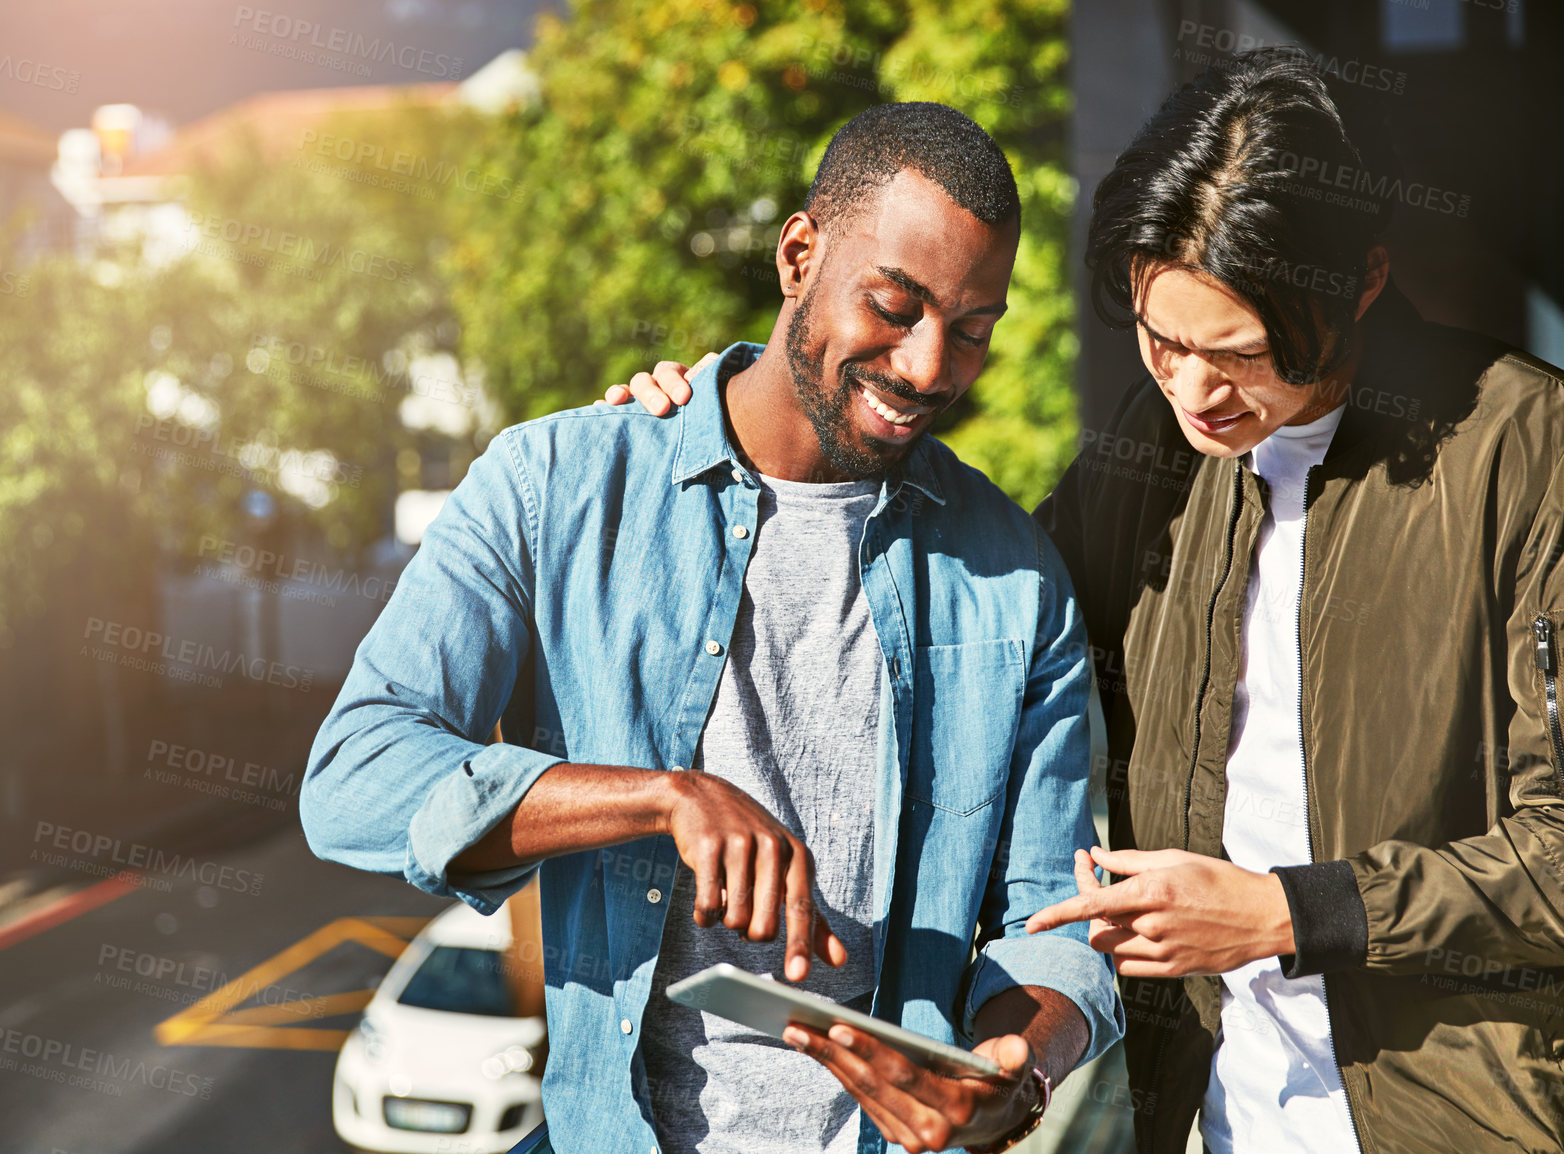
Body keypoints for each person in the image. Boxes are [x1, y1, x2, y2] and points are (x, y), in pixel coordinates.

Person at [609, 50, 1564, 1154]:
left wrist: (1291, 912)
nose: (1195, 390)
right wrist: (706, 427)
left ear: (1361, 280)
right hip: (1206, 1115)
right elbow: (978, 615)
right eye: (1162, 339)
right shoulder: (1154, 450)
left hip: (1469, 1119)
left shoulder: (1523, 454)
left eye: (1241, 354)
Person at [302, 101, 1121, 1154]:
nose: (928, 368)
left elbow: (1052, 916)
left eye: (970, 329)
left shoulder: (1014, 578)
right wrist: (656, 797)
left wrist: (1020, 1067)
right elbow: (355, 778)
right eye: (893, 304)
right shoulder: (555, 486)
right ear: (798, 254)